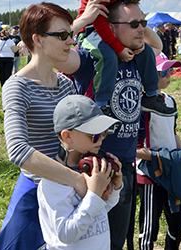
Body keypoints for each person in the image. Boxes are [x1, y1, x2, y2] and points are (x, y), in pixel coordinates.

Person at [0, 0, 110, 250]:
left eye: (70, 34)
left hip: (65, 189)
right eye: (63, 36)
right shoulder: (17, 86)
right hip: (35, 188)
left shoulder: (65, 83)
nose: (71, 41)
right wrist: (77, 181)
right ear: (38, 40)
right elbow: (18, 151)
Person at [55, 1, 160, 250]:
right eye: (134, 24)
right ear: (110, 28)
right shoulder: (92, 59)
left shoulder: (138, 56)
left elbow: (158, 46)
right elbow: (54, 53)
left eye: (143, 23)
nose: (141, 30)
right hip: (90, 168)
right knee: (87, 241)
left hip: (123, 166)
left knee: (115, 241)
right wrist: (86, 21)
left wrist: (137, 20)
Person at [76, 0, 176, 117]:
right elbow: (98, 24)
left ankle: (151, 95)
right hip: (91, 30)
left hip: (113, 29)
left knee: (145, 50)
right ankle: (102, 103)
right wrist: (119, 48)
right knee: (107, 55)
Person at [37, 94, 123, 250]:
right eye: (95, 135)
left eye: (104, 133)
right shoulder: (52, 182)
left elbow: (99, 212)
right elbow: (66, 235)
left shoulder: (91, 168)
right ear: (68, 136)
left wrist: (114, 190)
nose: (101, 139)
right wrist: (94, 195)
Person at [136, 53, 181, 250]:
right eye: (164, 71)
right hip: (150, 174)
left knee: (179, 221)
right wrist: (158, 157)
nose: (169, 75)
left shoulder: (170, 101)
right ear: (149, 74)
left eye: (171, 70)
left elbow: (172, 132)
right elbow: (135, 147)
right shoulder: (142, 105)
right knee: (150, 226)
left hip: (172, 170)